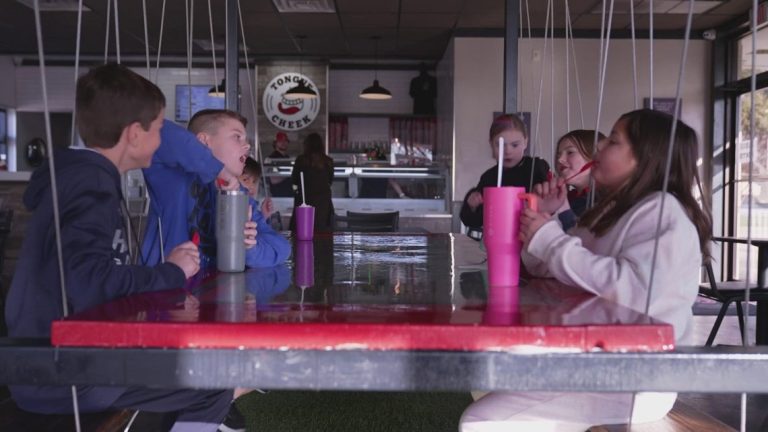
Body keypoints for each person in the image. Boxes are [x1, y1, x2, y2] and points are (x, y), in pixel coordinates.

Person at [4, 64, 242, 432]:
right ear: (134, 134)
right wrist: (172, 271)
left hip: (51, 365)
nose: (163, 140)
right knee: (210, 382)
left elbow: (84, 277)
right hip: (61, 374)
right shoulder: (90, 185)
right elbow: (87, 280)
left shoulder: (82, 178)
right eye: (160, 129)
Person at [460, 109, 712, 431]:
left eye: (612, 141)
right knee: (490, 383)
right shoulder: (610, 210)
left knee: (481, 420)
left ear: (645, 158)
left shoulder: (663, 212)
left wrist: (549, 238)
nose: (600, 148)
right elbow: (552, 268)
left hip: (636, 377)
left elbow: (634, 296)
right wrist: (547, 221)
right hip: (597, 361)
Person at [142, 109, 290, 270]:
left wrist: (250, 248)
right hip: (164, 288)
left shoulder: (238, 193)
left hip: (213, 290)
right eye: (237, 137)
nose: (247, 145)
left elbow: (282, 247)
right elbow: (153, 127)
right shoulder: (172, 175)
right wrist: (217, 168)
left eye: (245, 139)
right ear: (203, 141)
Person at [459, 114, 550, 234]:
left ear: (525, 142)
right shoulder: (489, 177)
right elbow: (473, 220)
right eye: (500, 145)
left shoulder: (536, 167)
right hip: (499, 239)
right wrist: (472, 206)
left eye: (515, 145)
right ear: (491, 144)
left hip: (532, 239)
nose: (507, 151)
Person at [536, 129, 606, 230]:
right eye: (559, 155)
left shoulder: (603, 202)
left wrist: (562, 207)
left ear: (595, 158)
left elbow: (582, 241)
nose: (560, 159)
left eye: (570, 152)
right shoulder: (568, 197)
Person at [240, 156, 291, 251]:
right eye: (246, 180)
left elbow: (262, 231)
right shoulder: (236, 206)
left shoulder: (252, 206)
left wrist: (263, 216)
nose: (251, 186)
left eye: (254, 181)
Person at [290, 133, 334, 231]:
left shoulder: (301, 160)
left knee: (303, 231)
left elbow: (294, 180)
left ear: (306, 145)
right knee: (322, 232)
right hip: (323, 203)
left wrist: (296, 190)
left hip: (304, 201)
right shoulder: (328, 161)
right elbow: (330, 181)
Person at [267, 132, 293, 197]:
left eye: (285, 141)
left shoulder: (287, 158)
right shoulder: (272, 158)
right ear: (275, 143)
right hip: (278, 195)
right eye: (280, 141)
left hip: (289, 195)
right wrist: (290, 174)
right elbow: (273, 180)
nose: (283, 143)